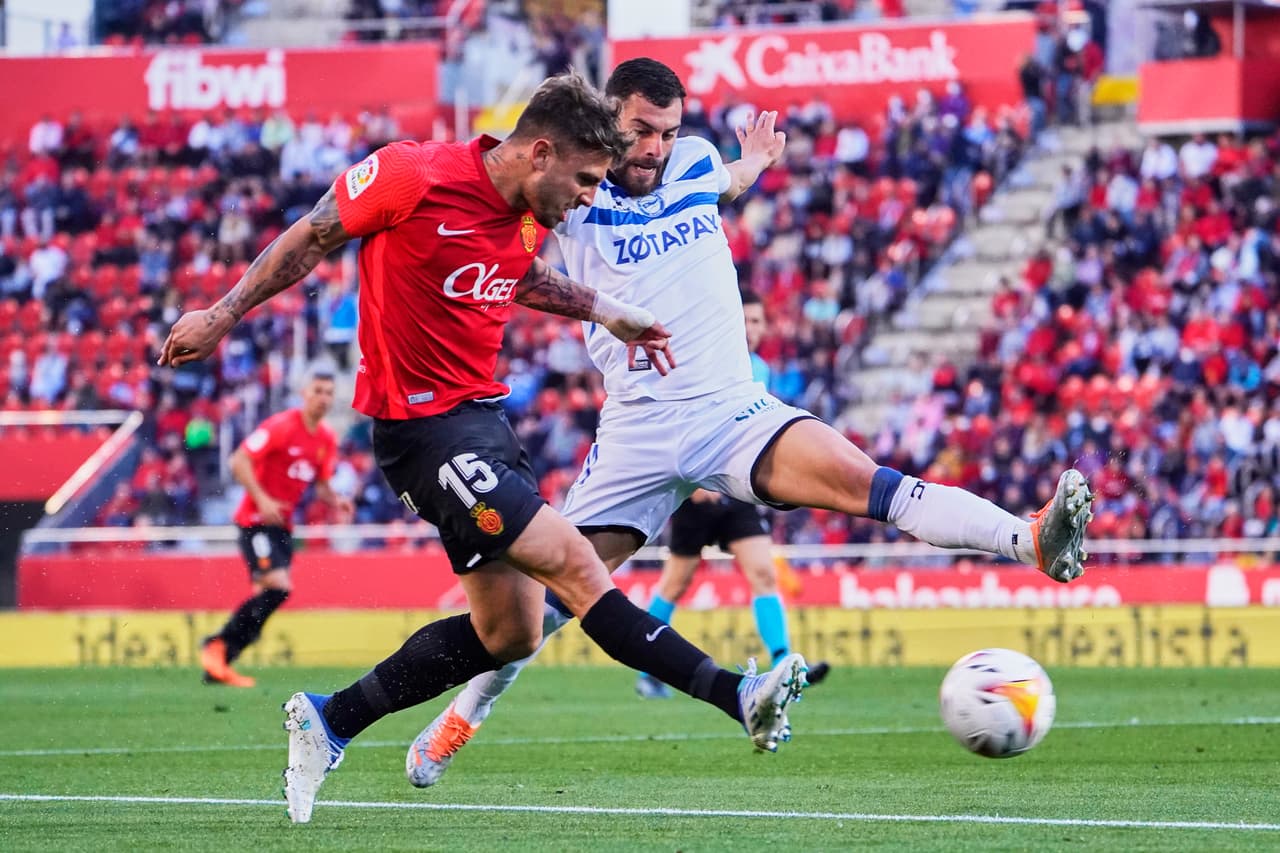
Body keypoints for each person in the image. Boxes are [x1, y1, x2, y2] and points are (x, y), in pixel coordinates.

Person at [405, 58, 1094, 789]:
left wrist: (755, 163)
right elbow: (509, 263)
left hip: (731, 411)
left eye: (668, 132)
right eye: (641, 130)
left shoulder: (694, 160)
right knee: (543, 603)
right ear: (608, 119)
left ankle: (1028, 539)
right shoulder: (575, 185)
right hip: (635, 430)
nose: (655, 148)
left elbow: (723, 181)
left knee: (875, 484)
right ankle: (462, 718)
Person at [159, 71, 808, 826]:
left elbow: (522, 276)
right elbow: (313, 233)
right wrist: (222, 314)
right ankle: (737, 693)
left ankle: (329, 718)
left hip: (484, 423)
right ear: (541, 153)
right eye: (585, 180)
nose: (589, 199)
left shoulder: (527, 211)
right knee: (575, 565)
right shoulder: (411, 175)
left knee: (511, 631)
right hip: (421, 431)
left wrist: (610, 311)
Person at [635, 290, 830, 699]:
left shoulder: (760, 370)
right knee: (676, 582)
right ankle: (647, 669)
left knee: (763, 572)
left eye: (757, 321)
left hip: (736, 491)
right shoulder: (703, 362)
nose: (751, 329)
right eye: (744, 320)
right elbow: (683, 421)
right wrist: (694, 482)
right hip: (696, 492)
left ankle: (784, 666)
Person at [199, 367, 350, 688]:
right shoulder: (282, 426)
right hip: (256, 522)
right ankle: (217, 644)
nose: (323, 398)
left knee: (268, 597)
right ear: (303, 394)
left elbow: (321, 485)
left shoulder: (325, 439)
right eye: (318, 391)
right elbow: (238, 460)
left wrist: (338, 500)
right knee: (278, 587)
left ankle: (219, 664)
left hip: (282, 528)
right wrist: (262, 499)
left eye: (328, 393)